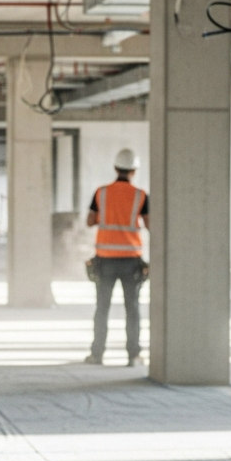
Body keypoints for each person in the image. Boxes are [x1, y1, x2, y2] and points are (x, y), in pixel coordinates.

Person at [84, 148, 149, 367]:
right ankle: (133, 356)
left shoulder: (101, 193)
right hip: (131, 260)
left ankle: (97, 354)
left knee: (102, 308)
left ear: (115, 168)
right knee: (133, 309)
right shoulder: (140, 195)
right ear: (134, 170)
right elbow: (151, 225)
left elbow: (90, 220)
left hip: (105, 259)